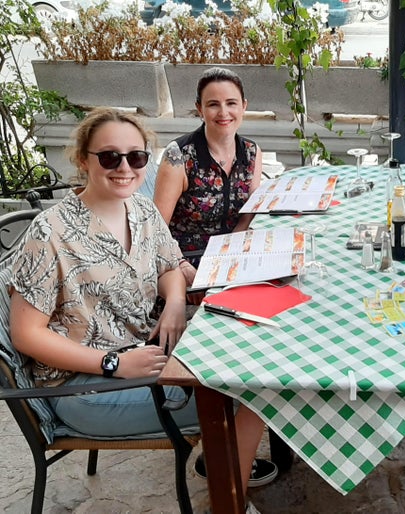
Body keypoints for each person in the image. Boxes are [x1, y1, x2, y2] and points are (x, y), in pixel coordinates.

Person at [8, 108, 273, 514]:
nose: (125, 168)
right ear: (83, 160)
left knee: (253, 359)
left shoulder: (143, 210)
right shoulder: (50, 231)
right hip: (84, 386)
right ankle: (227, 498)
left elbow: (170, 265)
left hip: (145, 347)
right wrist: (114, 363)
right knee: (248, 394)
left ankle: (225, 474)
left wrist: (175, 307)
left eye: (136, 157)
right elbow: (28, 334)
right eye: (109, 157)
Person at [154, 67, 263, 290]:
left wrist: (233, 248)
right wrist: (181, 266)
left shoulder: (252, 152)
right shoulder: (179, 156)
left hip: (233, 253)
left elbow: (249, 212)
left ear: (244, 106)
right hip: (187, 262)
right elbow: (156, 228)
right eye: (213, 104)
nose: (224, 112)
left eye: (231, 103)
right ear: (200, 109)